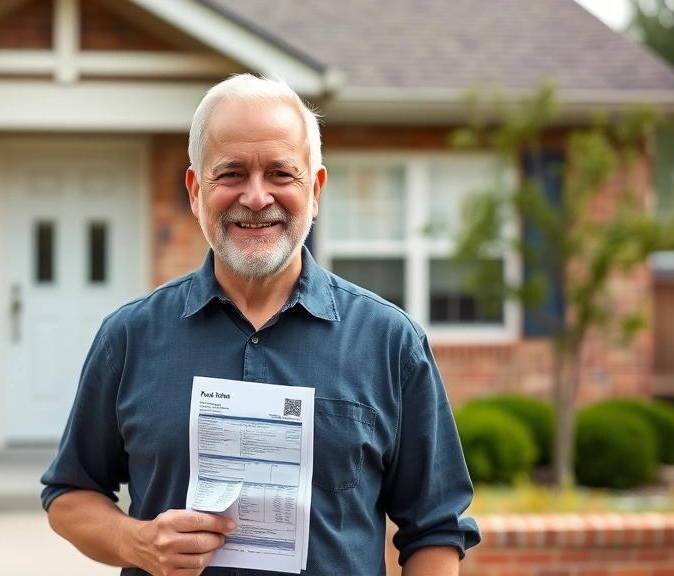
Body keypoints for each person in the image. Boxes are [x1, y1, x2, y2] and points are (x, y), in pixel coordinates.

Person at [41, 73, 480, 576]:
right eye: (231, 174)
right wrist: (137, 541)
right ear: (195, 190)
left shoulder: (390, 344)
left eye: (280, 173)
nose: (255, 197)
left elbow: (436, 528)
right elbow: (69, 494)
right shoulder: (129, 338)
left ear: (314, 190)